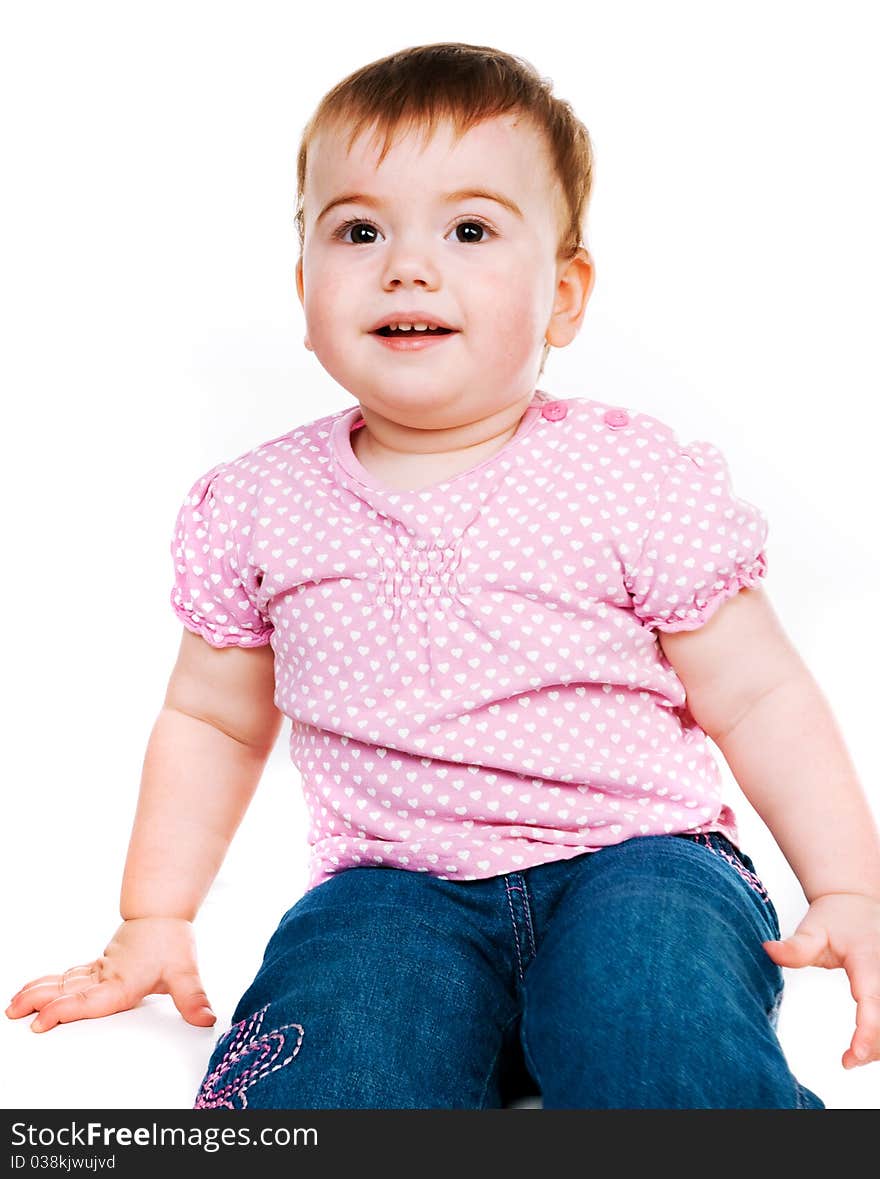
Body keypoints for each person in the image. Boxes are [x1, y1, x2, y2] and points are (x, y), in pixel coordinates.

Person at [7, 41, 879, 1110]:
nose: (405, 266)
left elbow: (757, 696)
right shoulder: (255, 507)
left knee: (657, 1038)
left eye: (467, 231)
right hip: (391, 888)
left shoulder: (631, 477)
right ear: (304, 288)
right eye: (359, 231)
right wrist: (153, 916)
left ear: (562, 297)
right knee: (327, 1076)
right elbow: (213, 723)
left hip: (640, 862)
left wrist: (849, 888)